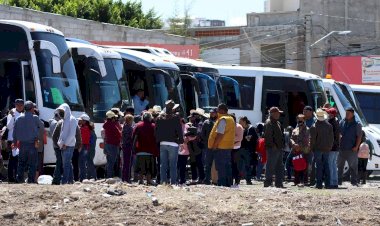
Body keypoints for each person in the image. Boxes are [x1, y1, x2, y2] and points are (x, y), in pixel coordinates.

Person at [155, 100, 184, 185]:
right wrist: (180, 141)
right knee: (173, 165)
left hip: (162, 143)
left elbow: (156, 132)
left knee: (163, 165)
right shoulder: (175, 118)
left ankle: (163, 182)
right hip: (173, 143)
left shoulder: (159, 118)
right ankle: (173, 183)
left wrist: (158, 141)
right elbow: (179, 131)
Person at [208, 103, 235, 187]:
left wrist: (215, 145)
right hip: (228, 146)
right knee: (227, 166)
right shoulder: (231, 119)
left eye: (218, 109)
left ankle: (222, 183)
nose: (217, 111)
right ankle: (228, 183)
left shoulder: (223, 119)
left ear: (222, 110)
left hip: (221, 147)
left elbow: (220, 134)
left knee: (221, 166)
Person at [13, 101, 40, 183]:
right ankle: (30, 181)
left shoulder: (18, 119)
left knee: (21, 164)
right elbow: (39, 129)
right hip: (32, 145)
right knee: (32, 165)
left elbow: (14, 133)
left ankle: (19, 180)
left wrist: (14, 143)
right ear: (32, 108)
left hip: (22, 145)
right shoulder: (35, 118)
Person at [54, 104, 80, 184]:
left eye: (62, 111)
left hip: (69, 146)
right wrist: (60, 143)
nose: (61, 113)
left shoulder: (72, 119)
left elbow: (72, 134)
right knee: (67, 163)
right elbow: (62, 133)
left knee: (66, 164)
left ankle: (64, 181)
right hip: (63, 145)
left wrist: (65, 144)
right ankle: (70, 180)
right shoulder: (64, 120)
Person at [338, 107, 362, 186]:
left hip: (352, 149)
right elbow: (339, 133)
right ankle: (339, 181)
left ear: (352, 114)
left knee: (353, 166)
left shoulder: (357, 124)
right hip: (341, 148)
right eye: (346, 113)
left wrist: (356, 147)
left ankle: (354, 182)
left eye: (348, 113)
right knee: (340, 166)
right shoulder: (342, 122)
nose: (347, 115)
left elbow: (359, 136)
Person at [133, 112, 159, 185]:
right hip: (150, 150)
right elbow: (157, 137)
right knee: (149, 167)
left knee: (141, 167)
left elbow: (134, 137)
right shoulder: (153, 126)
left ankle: (140, 180)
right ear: (150, 118)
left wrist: (134, 148)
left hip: (140, 150)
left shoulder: (138, 126)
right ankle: (148, 180)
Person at [310, 109, 334, 189]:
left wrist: (311, 148)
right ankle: (327, 184)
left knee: (318, 166)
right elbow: (331, 139)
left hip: (318, 149)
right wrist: (329, 147)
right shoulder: (329, 126)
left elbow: (312, 140)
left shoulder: (314, 126)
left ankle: (319, 184)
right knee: (326, 166)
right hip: (327, 149)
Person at [263, 107, 285, 188]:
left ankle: (279, 182)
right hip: (273, 148)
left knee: (280, 166)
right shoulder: (269, 122)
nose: (279, 114)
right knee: (270, 165)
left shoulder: (277, 122)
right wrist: (273, 145)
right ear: (273, 113)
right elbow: (268, 136)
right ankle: (268, 182)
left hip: (279, 148)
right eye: (277, 113)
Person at [6, 99, 24, 182]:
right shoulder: (11, 114)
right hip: (12, 139)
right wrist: (13, 117)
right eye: (18, 105)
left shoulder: (23, 114)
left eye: (21, 105)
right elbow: (9, 127)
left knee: (18, 159)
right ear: (15, 105)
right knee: (12, 159)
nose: (19, 107)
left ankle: (17, 177)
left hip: (20, 139)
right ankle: (11, 177)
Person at [290, 114, 310, 186]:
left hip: (304, 151)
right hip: (295, 150)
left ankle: (304, 181)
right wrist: (293, 144)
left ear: (304, 120)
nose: (300, 121)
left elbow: (307, 140)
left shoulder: (307, 129)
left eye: (301, 120)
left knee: (304, 166)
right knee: (296, 165)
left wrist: (299, 146)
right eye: (298, 120)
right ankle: (296, 181)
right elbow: (291, 138)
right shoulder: (295, 130)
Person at [239, 116, 258, 185]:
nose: (239, 123)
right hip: (241, 149)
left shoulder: (251, 128)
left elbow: (248, 139)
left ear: (244, 121)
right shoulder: (243, 128)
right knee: (240, 165)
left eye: (240, 122)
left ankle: (248, 180)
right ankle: (238, 180)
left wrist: (241, 137)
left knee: (248, 166)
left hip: (248, 150)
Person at [103, 110, 122, 178]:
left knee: (109, 161)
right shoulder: (112, 125)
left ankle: (108, 176)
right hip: (113, 145)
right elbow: (119, 134)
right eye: (114, 117)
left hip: (108, 144)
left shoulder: (106, 124)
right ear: (112, 118)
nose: (115, 119)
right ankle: (110, 177)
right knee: (112, 162)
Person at [201, 108, 217, 185]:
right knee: (207, 164)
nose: (212, 114)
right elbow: (202, 134)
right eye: (211, 113)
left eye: (213, 113)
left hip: (217, 146)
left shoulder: (219, 122)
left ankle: (215, 180)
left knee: (217, 164)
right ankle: (207, 179)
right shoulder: (206, 122)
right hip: (208, 146)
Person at [326, 108, 340, 189]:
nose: (327, 114)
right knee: (334, 165)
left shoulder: (330, 123)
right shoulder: (336, 122)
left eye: (328, 113)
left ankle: (331, 182)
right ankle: (335, 182)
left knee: (330, 165)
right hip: (336, 147)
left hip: (331, 147)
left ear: (332, 115)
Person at [78, 114, 92, 182]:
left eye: (81, 120)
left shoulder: (83, 129)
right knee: (83, 162)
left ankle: (82, 178)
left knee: (81, 163)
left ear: (85, 121)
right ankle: (83, 177)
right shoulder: (88, 128)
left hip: (83, 146)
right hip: (86, 147)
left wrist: (80, 147)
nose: (80, 121)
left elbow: (83, 139)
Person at [231, 114, 244, 185]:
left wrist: (230, 139)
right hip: (229, 148)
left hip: (236, 148)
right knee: (231, 165)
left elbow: (239, 138)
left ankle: (237, 181)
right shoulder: (229, 126)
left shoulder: (239, 127)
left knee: (236, 166)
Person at [122, 114, 134, 183]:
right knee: (129, 163)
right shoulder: (130, 128)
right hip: (128, 146)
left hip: (124, 146)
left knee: (125, 163)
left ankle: (124, 177)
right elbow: (130, 138)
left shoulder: (124, 126)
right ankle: (127, 178)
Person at [34, 108, 45, 180]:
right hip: (38, 145)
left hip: (37, 145)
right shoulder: (41, 122)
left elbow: (39, 135)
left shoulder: (39, 123)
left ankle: (36, 178)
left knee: (37, 162)